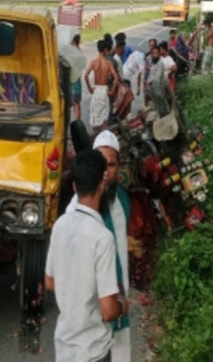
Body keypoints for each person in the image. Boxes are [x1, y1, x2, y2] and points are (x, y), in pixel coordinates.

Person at [47, 149, 129, 362]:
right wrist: (123, 305)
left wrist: (75, 291)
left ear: (75, 187)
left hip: (64, 347)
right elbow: (108, 311)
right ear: (102, 184)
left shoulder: (60, 226)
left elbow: (50, 281)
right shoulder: (102, 238)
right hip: (93, 352)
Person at [68, 131, 132, 362]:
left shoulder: (122, 200)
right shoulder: (76, 208)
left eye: (112, 165)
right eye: (100, 164)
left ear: (118, 166)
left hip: (116, 297)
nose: (106, 172)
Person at [85, 40, 120, 132]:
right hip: (104, 90)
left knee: (94, 118)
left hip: (96, 90)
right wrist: (112, 91)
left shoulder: (93, 62)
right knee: (104, 119)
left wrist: (89, 88)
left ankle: (95, 139)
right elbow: (116, 78)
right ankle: (103, 139)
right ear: (105, 50)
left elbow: (85, 75)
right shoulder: (108, 63)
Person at [71, 34, 83, 121]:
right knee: (76, 103)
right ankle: (77, 120)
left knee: (75, 104)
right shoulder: (79, 51)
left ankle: (77, 120)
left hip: (74, 82)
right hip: (77, 80)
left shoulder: (74, 52)